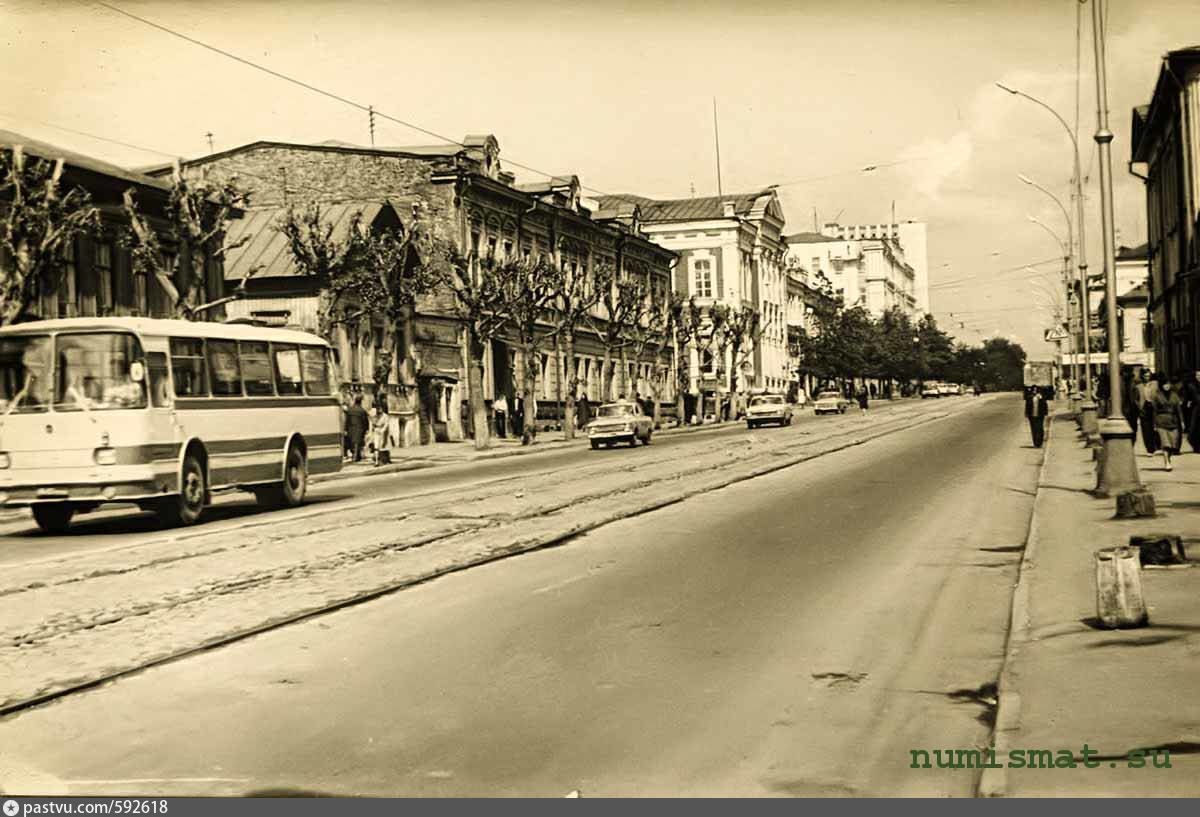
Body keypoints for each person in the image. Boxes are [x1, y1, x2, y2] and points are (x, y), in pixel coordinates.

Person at [1149, 373, 1184, 471]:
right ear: (1161, 385)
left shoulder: (1174, 395)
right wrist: (1154, 424)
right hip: (1161, 421)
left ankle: (1168, 458)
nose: (1167, 386)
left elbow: (1179, 410)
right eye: (1165, 384)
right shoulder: (1157, 395)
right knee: (1165, 444)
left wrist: (1182, 421)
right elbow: (1154, 411)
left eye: (1168, 384)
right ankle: (1167, 463)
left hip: (1173, 421)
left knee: (1173, 445)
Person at [1136, 370, 1160, 454]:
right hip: (1144, 407)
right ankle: (1149, 449)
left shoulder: (1155, 384)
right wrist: (1139, 407)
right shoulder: (1139, 386)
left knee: (1155, 427)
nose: (1147, 377)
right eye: (1145, 376)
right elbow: (1136, 398)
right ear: (1142, 376)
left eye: (1148, 375)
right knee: (1146, 429)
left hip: (1154, 407)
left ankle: (1157, 446)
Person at [344, 395, 369, 462]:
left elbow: (347, 420)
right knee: (358, 443)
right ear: (360, 402)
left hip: (351, 428)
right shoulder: (362, 410)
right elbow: (365, 421)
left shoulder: (350, 409)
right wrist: (366, 429)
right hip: (359, 428)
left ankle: (355, 456)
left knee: (352, 442)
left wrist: (346, 429)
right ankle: (355, 456)